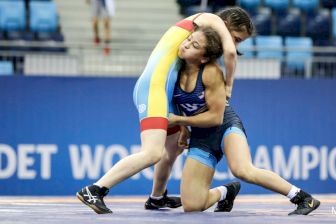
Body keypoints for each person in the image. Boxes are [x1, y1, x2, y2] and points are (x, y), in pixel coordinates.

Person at [76, 7, 254, 214]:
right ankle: (95, 189)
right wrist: (229, 87)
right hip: (154, 89)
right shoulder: (211, 19)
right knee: (152, 152)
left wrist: (184, 125)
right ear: (226, 24)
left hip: (164, 92)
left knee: (173, 148)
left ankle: (156, 197)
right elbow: (230, 53)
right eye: (236, 37)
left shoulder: (198, 34)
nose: (233, 44)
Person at [147, 27, 320, 216]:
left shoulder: (210, 72)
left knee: (243, 170)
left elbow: (215, 117)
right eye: (189, 40)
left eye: (194, 45)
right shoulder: (174, 71)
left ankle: (303, 198)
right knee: (192, 205)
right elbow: (178, 103)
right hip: (200, 136)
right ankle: (226, 192)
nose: (186, 45)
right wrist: (183, 128)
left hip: (225, 126)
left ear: (204, 58)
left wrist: (179, 120)